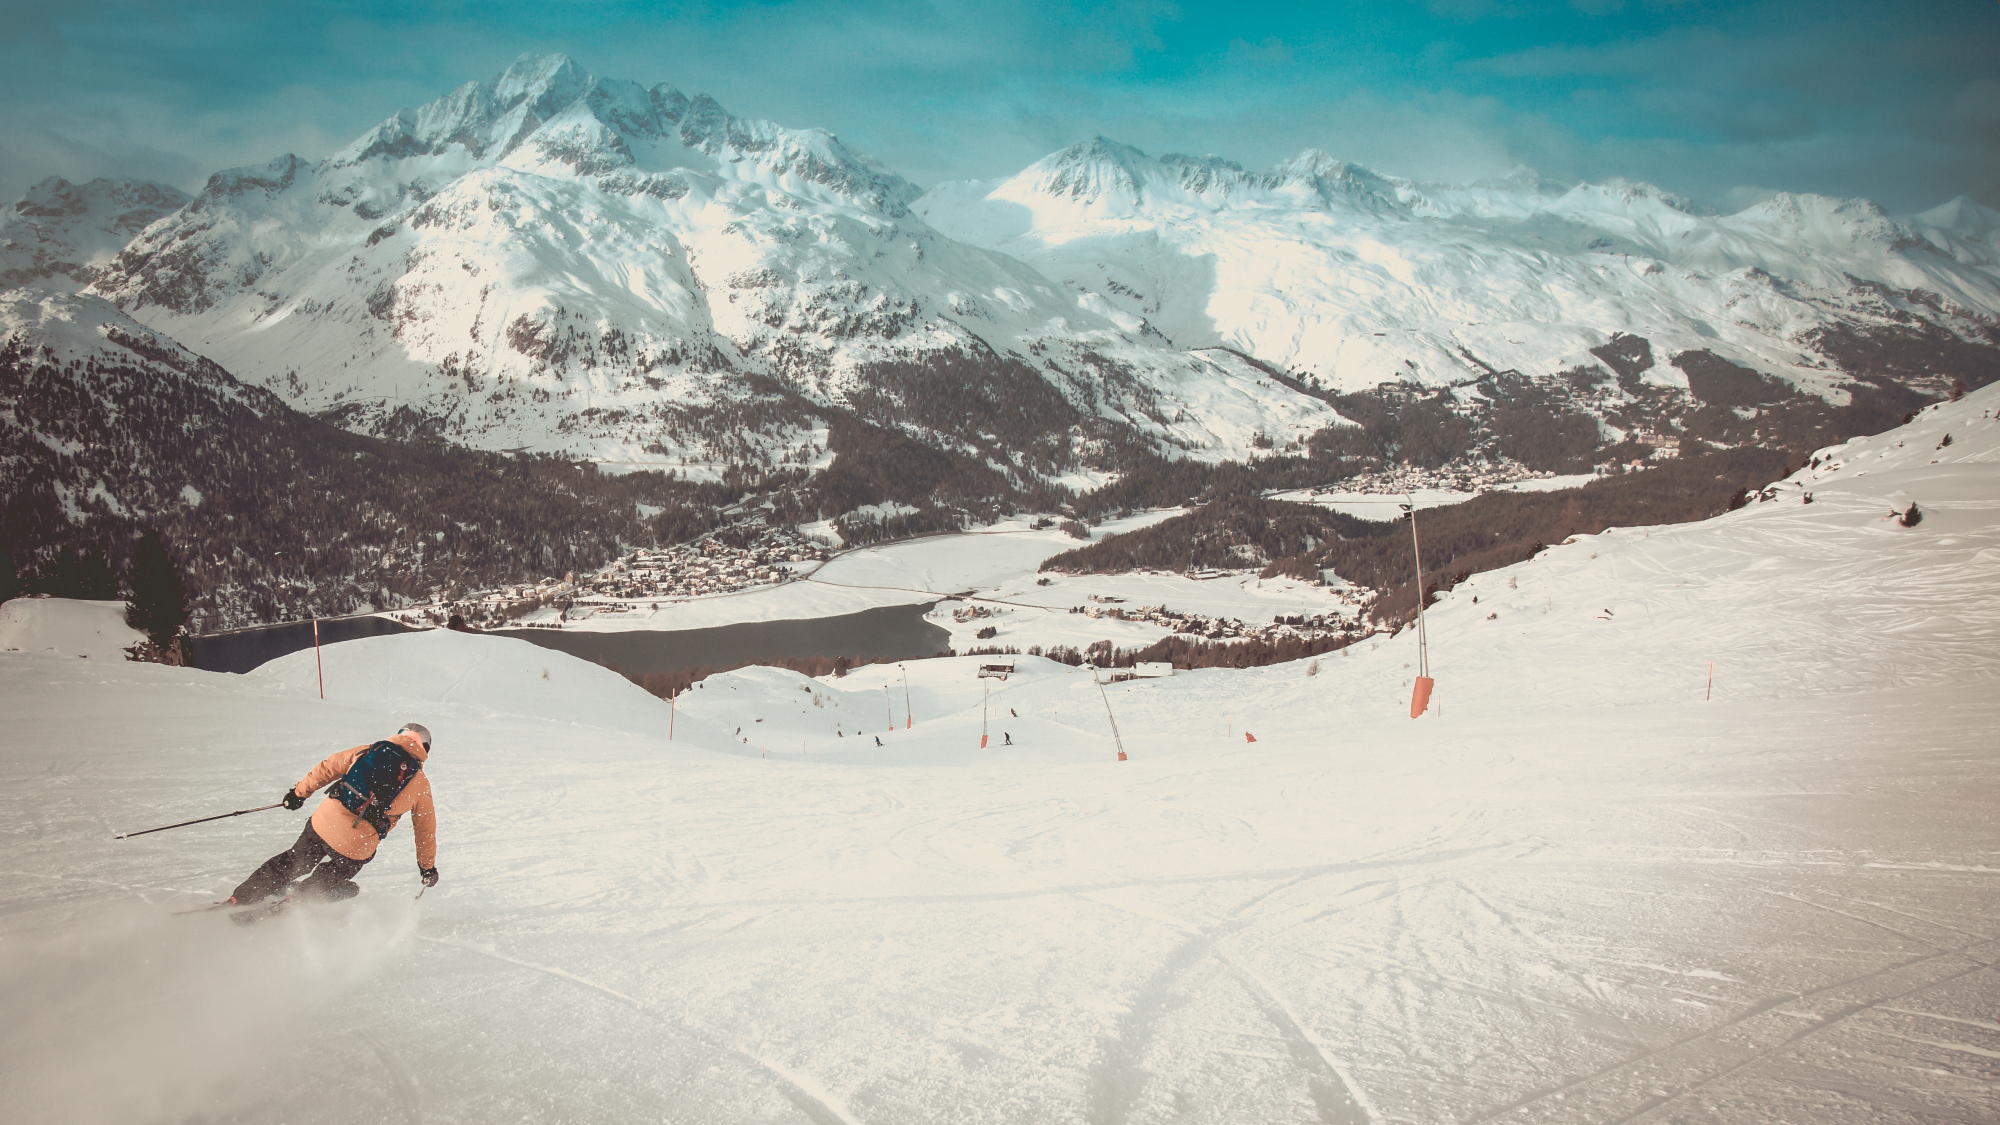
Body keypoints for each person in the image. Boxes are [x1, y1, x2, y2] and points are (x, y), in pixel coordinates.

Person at [229, 723, 439, 904]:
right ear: (425, 749)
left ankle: (241, 898)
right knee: (334, 874)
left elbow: (328, 768)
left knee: (293, 862)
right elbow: (425, 830)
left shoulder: (368, 751)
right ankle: (298, 899)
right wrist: (427, 868)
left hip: (323, 825)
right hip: (357, 846)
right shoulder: (420, 783)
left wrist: (298, 794)